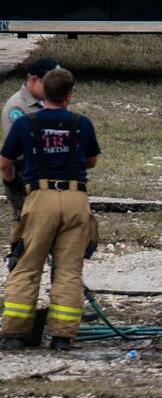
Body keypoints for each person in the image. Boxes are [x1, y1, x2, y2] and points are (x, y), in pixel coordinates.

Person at [0, 68, 99, 352]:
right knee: (69, 270)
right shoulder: (83, 123)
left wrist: (14, 186)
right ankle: (62, 338)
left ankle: (15, 335)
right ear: (69, 95)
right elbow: (90, 161)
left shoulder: (25, 124)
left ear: (43, 91)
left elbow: (5, 163)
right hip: (75, 199)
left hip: (40, 198)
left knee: (27, 264)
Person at [3, 57, 60, 217]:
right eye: (49, 84)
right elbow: (16, 150)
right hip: (26, 173)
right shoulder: (17, 108)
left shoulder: (46, 102)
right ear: (34, 80)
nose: (54, 89)